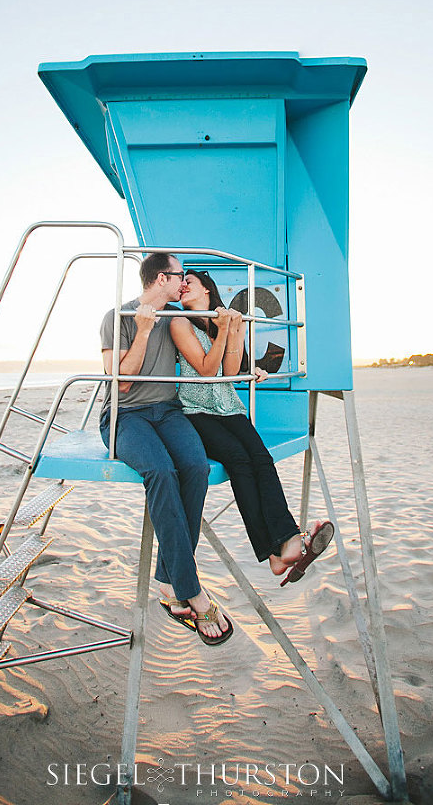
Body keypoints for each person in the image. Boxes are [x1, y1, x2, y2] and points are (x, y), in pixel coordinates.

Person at [100, 252, 233, 644]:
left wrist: (243, 350)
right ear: (161, 278)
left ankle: (169, 581)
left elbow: (211, 357)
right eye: (179, 277)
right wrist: (142, 330)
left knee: (196, 467)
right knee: (160, 471)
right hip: (125, 415)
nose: (184, 283)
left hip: (168, 411)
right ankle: (191, 590)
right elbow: (120, 384)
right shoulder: (118, 317)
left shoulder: (177, 317)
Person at [170, 270, 334, 584]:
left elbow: (229, 371)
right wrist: (223, 332)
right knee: (239, 461)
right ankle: (274, 550)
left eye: (187, 282)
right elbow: (206, 370)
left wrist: (236, 332)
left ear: (207, 289)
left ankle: (284, 545)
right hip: (196, 410)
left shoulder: (224, 322)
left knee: (261, 459)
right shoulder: (178, 322)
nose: (181, 287)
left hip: (229, 406)